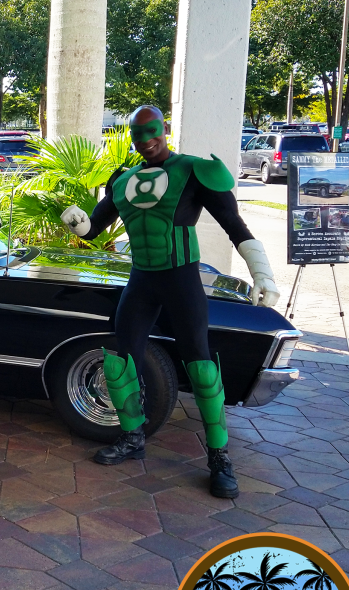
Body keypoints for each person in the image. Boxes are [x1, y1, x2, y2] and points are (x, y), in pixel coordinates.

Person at [60, 106, 279, 499]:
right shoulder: (123, 180)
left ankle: (219, 457)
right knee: (122, 358)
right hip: (142, 279)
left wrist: (262, 273)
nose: (146, 140)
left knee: (201, 364)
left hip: (182, 279)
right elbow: (94, 229)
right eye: (137, 134)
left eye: (152, 131)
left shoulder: (194, 171)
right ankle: (132, 436)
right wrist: (77, 221)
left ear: (164, 129)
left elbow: (235, 225)